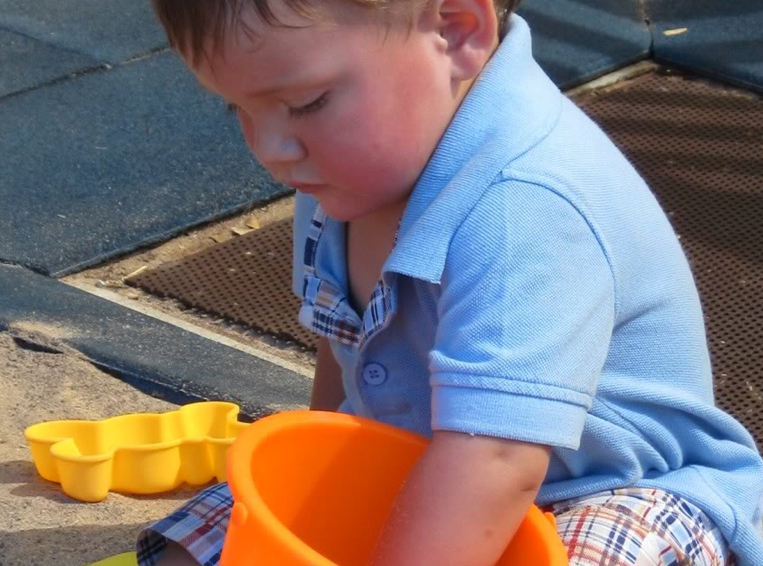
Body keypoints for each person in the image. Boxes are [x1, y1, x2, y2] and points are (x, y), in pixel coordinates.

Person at [138, 0, 763, 563]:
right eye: (238, 108)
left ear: (456, 30)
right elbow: (344, 352)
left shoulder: (525, 208)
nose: (271, 149)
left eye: (305, 102)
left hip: (616, 489)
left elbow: (496, 461)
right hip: (420, 469)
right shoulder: (339, 173)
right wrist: (312, 487)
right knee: (202, 544)